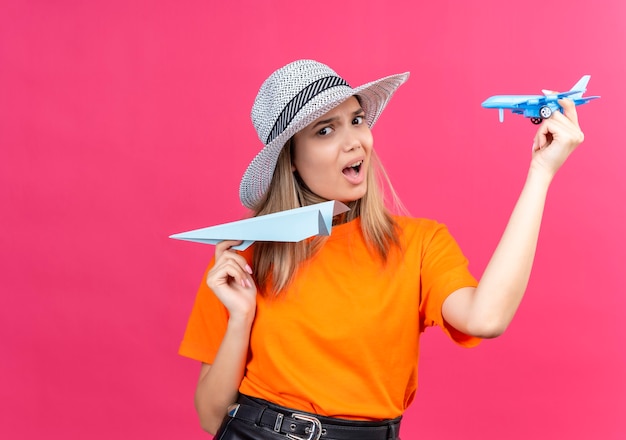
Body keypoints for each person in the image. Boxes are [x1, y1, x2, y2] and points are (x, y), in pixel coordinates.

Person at [178, 59, 585, 440]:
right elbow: (212, 417)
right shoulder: (245, 255)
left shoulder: (420, 244)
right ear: (293, 161)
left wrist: (540, 173)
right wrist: (240, 316)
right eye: (325, 130)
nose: (353, 141)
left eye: (357, 120)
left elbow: (486, 317)